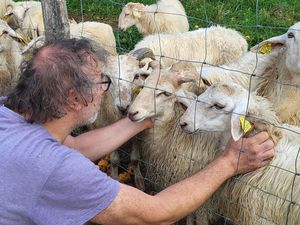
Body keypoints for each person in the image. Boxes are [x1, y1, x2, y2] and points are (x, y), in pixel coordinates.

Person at [0, 38, 275, 225]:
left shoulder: (8, 113)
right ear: (74, 99)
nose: (105, 90)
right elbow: (155, 214)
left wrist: (142, 118)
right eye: (103, 82)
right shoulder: (57, 169)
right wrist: (229, 162)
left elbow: (75, 146)